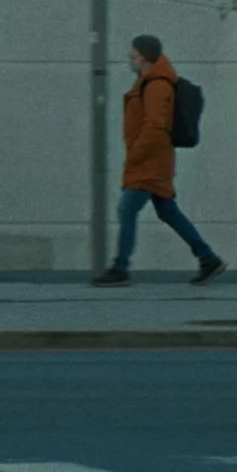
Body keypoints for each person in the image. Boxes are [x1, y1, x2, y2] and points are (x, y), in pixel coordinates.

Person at [94, 35, 223, 287]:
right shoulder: (150, 82)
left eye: (133, 56)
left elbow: (155, 126)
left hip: (149, 162)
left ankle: (120, 268)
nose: (130, 60)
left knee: (127, 209)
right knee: (168, 211)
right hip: (153, 160)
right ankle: (208, 259)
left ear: (142, 57)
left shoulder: (156, 85)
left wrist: (136, 155)